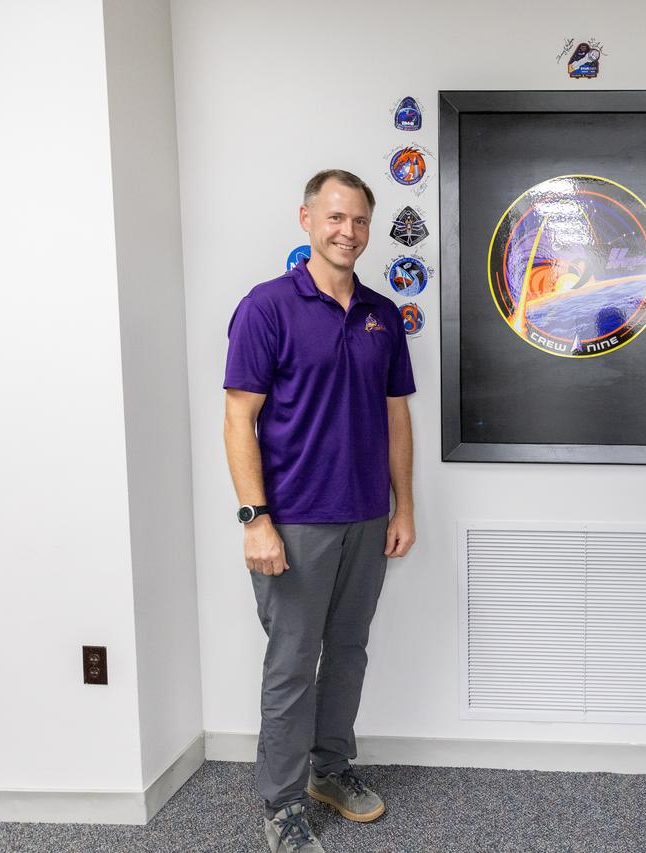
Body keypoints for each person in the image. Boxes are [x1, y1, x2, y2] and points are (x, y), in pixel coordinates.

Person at [223, 169, 416, 853]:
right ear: (306, 219)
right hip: (294, 519)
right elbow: (238, 417)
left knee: (349, 653)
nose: (349, 232)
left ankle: (329, 771)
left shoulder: (382, 314)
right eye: (336, 217)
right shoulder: (266, 307)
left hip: (366, 516)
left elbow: (397, 418)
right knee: (292, 662)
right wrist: (256, 518)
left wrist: (404, 506)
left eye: (360, 220)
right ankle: (280, 805)